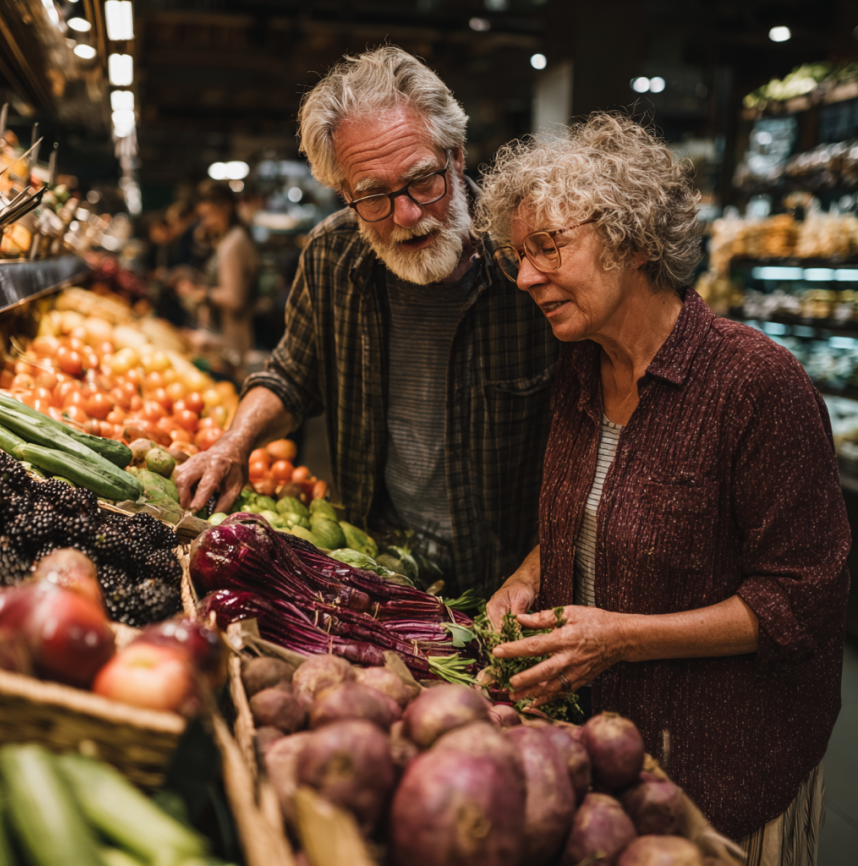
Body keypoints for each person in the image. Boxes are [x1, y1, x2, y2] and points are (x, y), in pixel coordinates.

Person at [478, 113, 849, 860]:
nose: (524, 278)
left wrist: (620, 639)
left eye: (548, 247)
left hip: (718, 770)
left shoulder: (754, 385)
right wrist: (528, 576)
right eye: (516, 256)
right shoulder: (580, 368)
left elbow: (802, 597)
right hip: (603, 749)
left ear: (636, 239)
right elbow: (589, 513)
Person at [173, 46, 560, 593]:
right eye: (373, 196)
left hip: (508, 577)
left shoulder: (528, 262)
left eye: (424, 180)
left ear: (457, 156)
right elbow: (290, 377)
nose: (407, 215)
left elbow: (603, 447)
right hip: (374, 564)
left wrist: (535, 572)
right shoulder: (333, 255)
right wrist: (234, 444)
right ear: (344, 192)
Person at [174, 180, 260, 368]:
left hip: (229, 345)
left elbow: (234, 297)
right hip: (223, 340)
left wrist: (200, 294)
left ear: (227, 207)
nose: (206, 223)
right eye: (202, 216)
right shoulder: (229, 239)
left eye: (209, 215)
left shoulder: (233, 244)